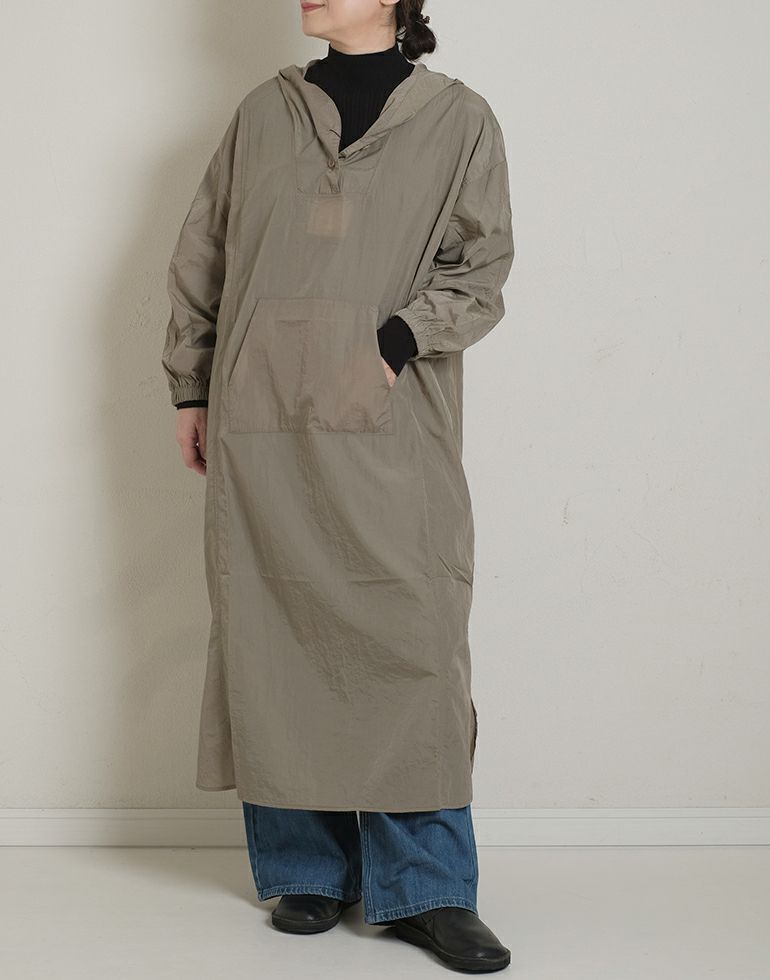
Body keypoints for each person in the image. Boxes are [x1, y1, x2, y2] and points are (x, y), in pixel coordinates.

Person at [161, 0, 514, 972]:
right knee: (273, 630)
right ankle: (307, 867)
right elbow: (204, 255)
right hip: (260, 421)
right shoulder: (262, 114)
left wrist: (393, 342)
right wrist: (191, 384)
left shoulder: (457, 119)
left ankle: (427, 887)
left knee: (412, 635)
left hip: (391, 425)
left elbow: (481, 267)